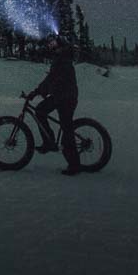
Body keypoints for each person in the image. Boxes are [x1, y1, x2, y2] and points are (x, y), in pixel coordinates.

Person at [29, 33, 81, 174]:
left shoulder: (62, 58)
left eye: (53, 44)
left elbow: (52, 79)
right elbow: (52, 79)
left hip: (66, 98)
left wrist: (36, 92)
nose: (50, 46)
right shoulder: (61, 57)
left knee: (66, 129)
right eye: (49, 44)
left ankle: (74, 165)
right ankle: (48, 142)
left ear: (59, 44)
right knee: (40, 111)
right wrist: (40, 91)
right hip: (61, 96)